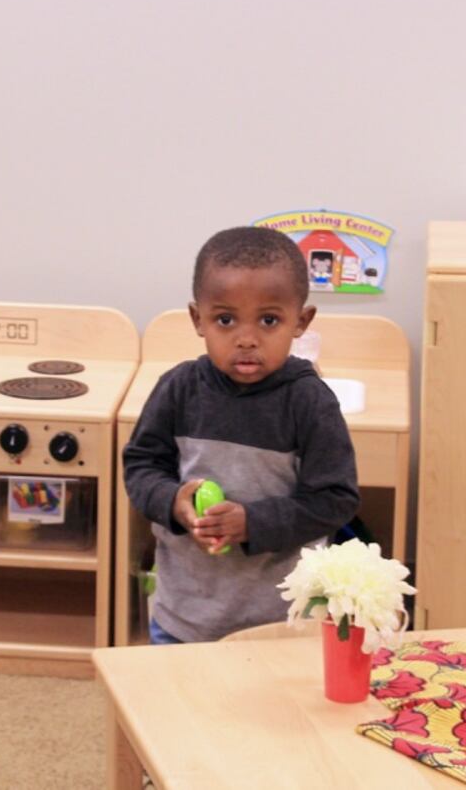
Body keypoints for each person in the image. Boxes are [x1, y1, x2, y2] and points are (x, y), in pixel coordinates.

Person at [123, 226, 359, 643]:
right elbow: (140, 466)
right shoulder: (178, 388)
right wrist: (174, 502)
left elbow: (335, 500)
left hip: (280, 622)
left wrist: (252, 522)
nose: (246, 339)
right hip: (183, 615)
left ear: (301, 322)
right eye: (225, 320)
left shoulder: (310, 401)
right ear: (198, 319)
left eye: (269, 320)